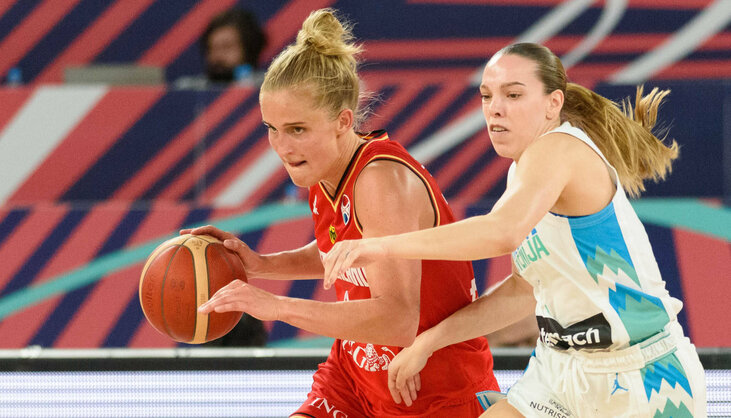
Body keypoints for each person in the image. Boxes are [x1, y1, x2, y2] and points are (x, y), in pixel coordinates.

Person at [323, 43, 706, 417]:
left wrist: (383, 247)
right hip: (559, 369)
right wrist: (430, 341)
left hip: (641, 375)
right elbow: (522, 292)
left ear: (553, 104)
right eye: (487, 96)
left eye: (513, 94)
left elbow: (500, 232)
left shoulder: (560, 149)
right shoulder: (522, 172)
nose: (495, 109)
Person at [187, 8, 498, 417]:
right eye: (271, 128)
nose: (282, 147)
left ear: (342, 121)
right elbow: (343, 252)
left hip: (433, 390)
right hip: (353, 377)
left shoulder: (381, 180)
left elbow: (398, 318)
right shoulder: (322, 167)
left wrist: (277, 306)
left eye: (297, 129)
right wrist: (261, 264)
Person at [174, 8, 267, 89]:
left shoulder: (269, 88)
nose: (217, 56)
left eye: (226, 47)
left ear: (249, 50)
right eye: (211, 48)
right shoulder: (189, 89)